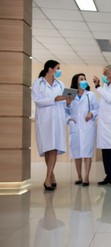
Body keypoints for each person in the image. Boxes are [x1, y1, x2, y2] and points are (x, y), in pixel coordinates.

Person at [32, 60, 72, 191]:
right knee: (47, 149)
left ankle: (47, 178)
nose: (59, 71)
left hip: (57, 120)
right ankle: (52, 176)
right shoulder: (38, 83)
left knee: (54, 148)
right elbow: (37, 101)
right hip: (44, 120)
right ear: (50, 69)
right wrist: (53, 99)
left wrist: (67, 102)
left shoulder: (60, 84)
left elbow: (64, 105)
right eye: (57, 68)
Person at [67, 73, 99, 187]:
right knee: (77, 153)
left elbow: (97, 108)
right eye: (81, 79)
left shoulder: (91, 95)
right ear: (76, 81)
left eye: (85, 79)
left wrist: (92, 113)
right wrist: (69, 119)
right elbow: (65, 109)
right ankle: (79, 176)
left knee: (87, 152)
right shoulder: (70, 94)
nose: (84, 80)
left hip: (87, 126)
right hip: (75, 126)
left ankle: (86, 177)